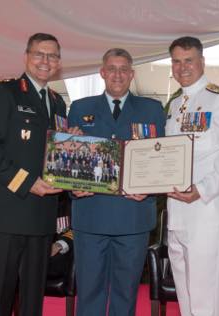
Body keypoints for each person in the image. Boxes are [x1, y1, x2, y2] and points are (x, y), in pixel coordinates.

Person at [0, 33, 67, 316]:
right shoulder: (6, 93)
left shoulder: (57, 102)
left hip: (41, 215)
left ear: (58, 63)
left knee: (32, 300)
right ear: (26, 56)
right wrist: (27, 182)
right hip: (6, 213)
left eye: (52, 56)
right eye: (40, 54)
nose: (45, 61)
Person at [67, 48, 166, 316]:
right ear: (102, 72)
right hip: (91, 216)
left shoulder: (153, 109)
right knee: (89, 293)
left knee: (126, 293)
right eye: (112, 68)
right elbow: (68, 162)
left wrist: (150, 188)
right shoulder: (80, 108)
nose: (117, 74)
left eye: (124, 69)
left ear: (132, 74)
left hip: (133, 216)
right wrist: (72, 179)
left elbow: (163, 160)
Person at [165, 36, 219, 316]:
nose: (182, 67)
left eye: (189, 60)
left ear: (202, 61)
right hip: (177, 212)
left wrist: (202, 188)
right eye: (176, 61)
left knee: (205, 299)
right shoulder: (175, 104)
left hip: (208, 210)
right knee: (186, 297)